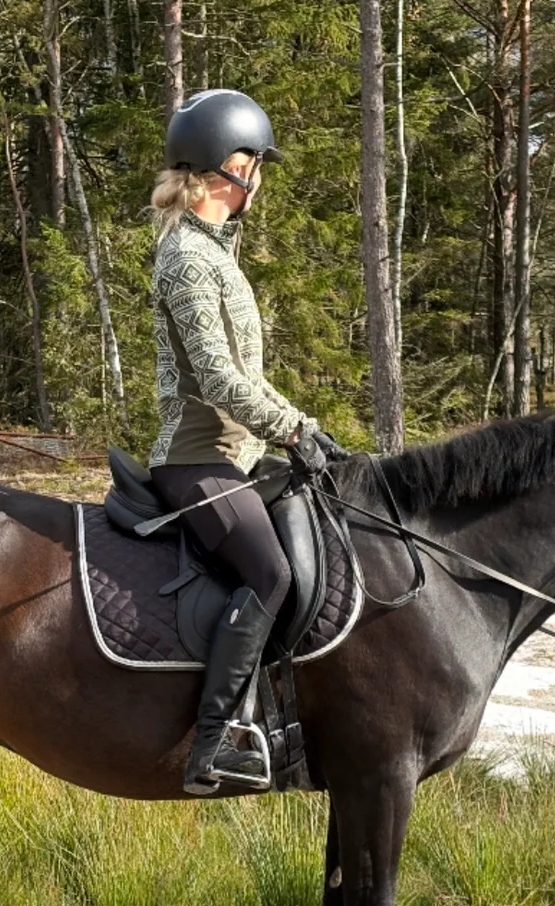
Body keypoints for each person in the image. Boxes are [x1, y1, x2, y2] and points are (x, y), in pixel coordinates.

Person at [147, 88, 342, 795]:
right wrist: (296, 425)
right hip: (198, 458)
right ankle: (214, 741)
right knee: (271, 574)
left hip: (237, 455)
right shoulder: (190, 258)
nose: (258, 181)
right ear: (229, 167)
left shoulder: (212, 251)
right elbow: (219, 378)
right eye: (255, 165)